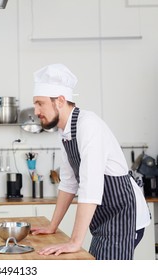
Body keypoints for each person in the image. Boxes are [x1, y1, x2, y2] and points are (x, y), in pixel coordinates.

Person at [30, 64, 151, 260]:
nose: (35, 111)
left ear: (60, 101)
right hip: (104, 218)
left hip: (123, 216)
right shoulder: (66, 132)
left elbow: (91, 186)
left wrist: (75, 242)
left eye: (40, 103)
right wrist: (53, 226)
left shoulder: (88, 125)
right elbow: (69, 182)